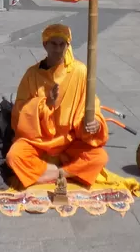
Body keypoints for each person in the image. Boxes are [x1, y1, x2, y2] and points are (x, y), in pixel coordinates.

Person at [6, 24, 109, 187]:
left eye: (62, 44)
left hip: (70, 140)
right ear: (45, 45)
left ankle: (55, 173)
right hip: (39, 142)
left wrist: (94, 121)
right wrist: (45, 104)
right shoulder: (32, 75)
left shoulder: (80, 71)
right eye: (53, 44)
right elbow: (20, 112)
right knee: (14, 156)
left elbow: (91, 104)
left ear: (68, 45)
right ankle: (68, 172)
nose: (58, 49)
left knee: (99, 156)